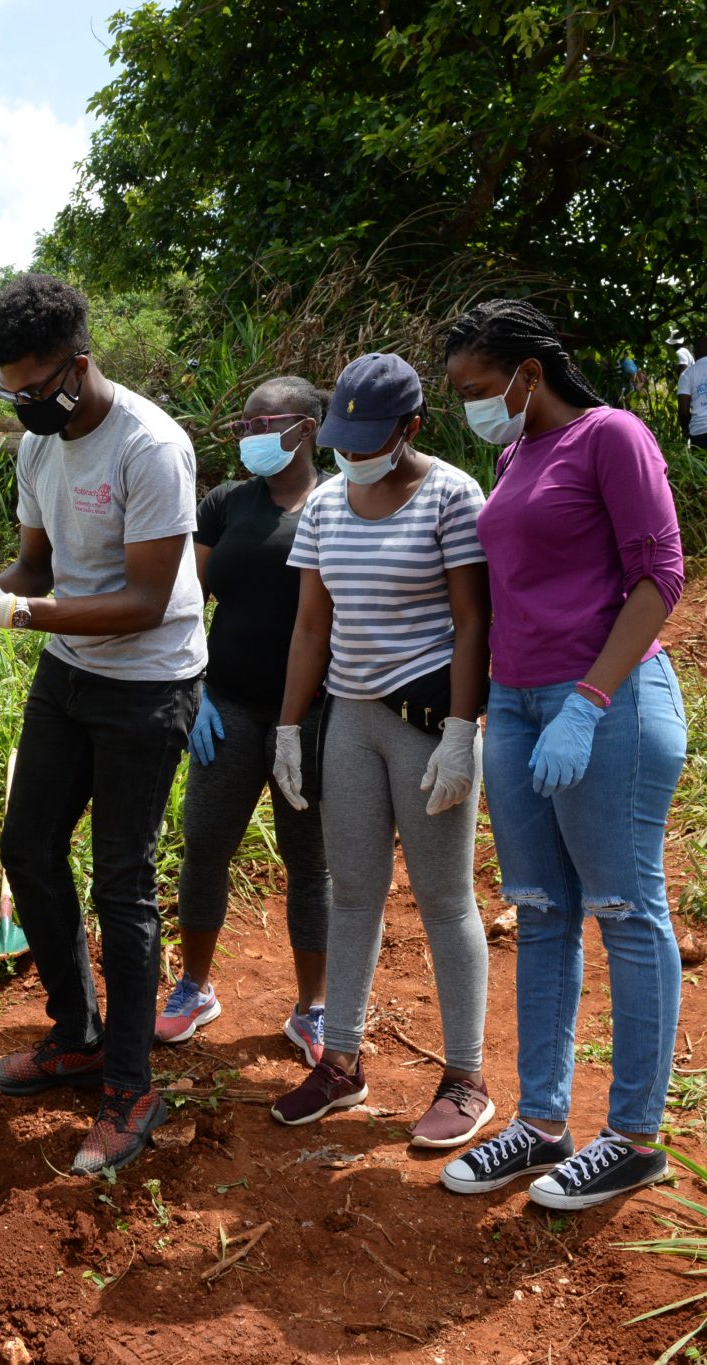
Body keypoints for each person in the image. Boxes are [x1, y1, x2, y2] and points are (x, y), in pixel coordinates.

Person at [0, 273, 206, 1177]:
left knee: (122, 883)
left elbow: (148, 601)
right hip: (70, 673)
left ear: (80, 365)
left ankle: (130, 1084)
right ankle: (76, 1033)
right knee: (27, 849)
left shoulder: (150, 447)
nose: (24, 405)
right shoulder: (37, 452)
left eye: (36, 389)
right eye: (10, 391)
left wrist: (15, 615)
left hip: (148, 682)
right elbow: (37, 567)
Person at [438, 299, 688, 1211]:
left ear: (526, 375)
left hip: (608, 700)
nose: (471, 404)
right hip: (515, 700)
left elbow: (661, 574)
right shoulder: (512, 456)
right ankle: (542, 1122)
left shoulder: (610, 436)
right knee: (542, 910)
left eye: (476, 388)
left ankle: (633, 1137)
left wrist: (587, 699)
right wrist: (481, 717)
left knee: (625, 908)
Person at [263, 354, 496, 1148]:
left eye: (371, 440)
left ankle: (466, 1076)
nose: (354, 454)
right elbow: (309, 626)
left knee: (443, 898)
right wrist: (290, 728)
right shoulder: (325, 506)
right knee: (354, 891)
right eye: (345, 440)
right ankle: (343, 1061)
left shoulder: (452, 495)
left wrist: (464, 730)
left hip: (425, 722)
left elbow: (473, 620)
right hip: (351, 720)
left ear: (411, 430)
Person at [155, 376, 332, 1063]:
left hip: (313, 715)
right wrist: (193, 686)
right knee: (204, 843)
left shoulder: (340, 503)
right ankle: (193, 985)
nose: (254, 436)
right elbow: (186, 601)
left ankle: (314, 1006)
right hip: (224, 706)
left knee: (307, 859)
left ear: (310, 427)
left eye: (270, 423)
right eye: (245, 425)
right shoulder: (227, 503)